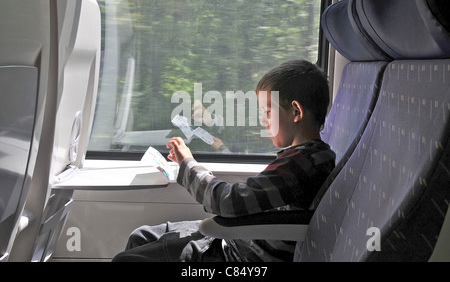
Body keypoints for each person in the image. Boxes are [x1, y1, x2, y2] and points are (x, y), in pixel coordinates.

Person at [112, 59, 336, 262]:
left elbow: (229, 202)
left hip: (240, 256)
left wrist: (188, 165)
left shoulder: (302, 164)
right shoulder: (306, 157)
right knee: (141, 237)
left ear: (296, 111)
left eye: (268, 111)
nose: (263, 120)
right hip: (239, 240)